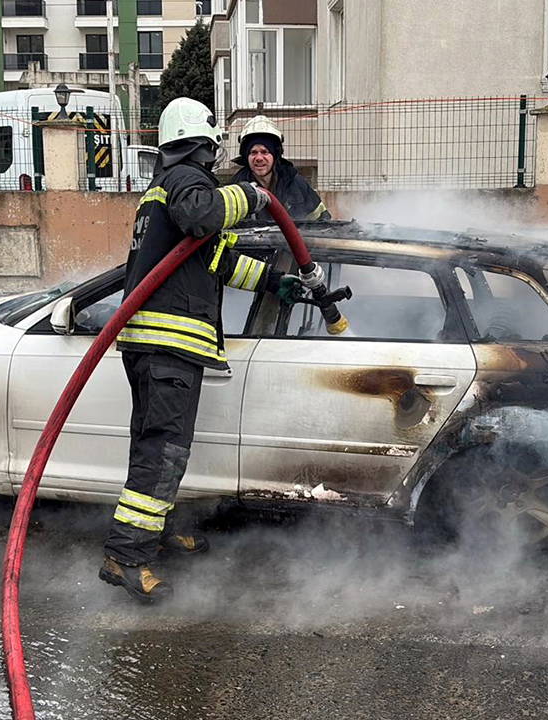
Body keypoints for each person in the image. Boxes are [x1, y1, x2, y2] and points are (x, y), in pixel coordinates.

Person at [99, 97, 317, 604]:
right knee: (164, 450)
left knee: (156, 446)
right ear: (204, 143)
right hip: (167, 346)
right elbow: (203, 216)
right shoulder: (185, 182)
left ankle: (156, 528)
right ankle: (126, 557)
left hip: (154, 346)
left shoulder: (162, 190)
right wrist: (251, 194)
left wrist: (276, 283)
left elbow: (213, 257)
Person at [230, 115, 331, 222]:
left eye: (265, 152)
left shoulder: (296, 184)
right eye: (253, 152)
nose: (259, 158)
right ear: (246, 157)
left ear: (275, 155)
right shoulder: (236, 188)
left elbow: (323, 221)